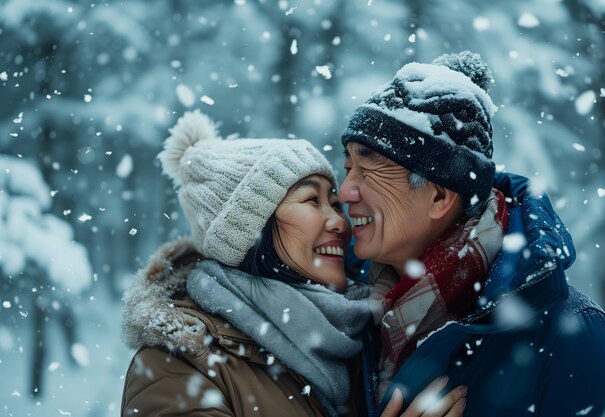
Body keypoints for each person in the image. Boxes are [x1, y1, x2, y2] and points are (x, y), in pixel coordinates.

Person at [120, 111, 467, 417]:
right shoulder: (179, 362)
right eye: (311, 200)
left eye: (333, 203)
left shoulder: (362, 342)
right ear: (251, 229)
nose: (340, 222)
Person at [338, 51, 605, 417]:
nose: (345, 191)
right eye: (347, 168)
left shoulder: (574, 338)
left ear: (440, 196)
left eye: (368, 170)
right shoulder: (346, 311)